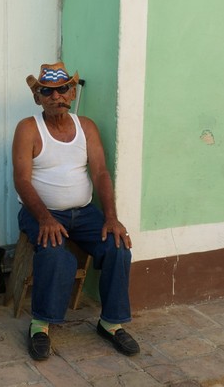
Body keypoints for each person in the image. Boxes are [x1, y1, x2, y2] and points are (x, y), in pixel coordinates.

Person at [12, 62, 140, 361]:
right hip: (40, 213)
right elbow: (21, 180)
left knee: (118, 247)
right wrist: (45, 218)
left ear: (71, 93)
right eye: (48, 91)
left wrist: (111, 217)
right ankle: (40, 326)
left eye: (63, 89)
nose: (57, 96)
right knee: (57, 254)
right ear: (38, 97)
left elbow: (100, 174)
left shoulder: (87, 127)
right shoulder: (29, 128)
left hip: (84, 213)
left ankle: (110, 323)